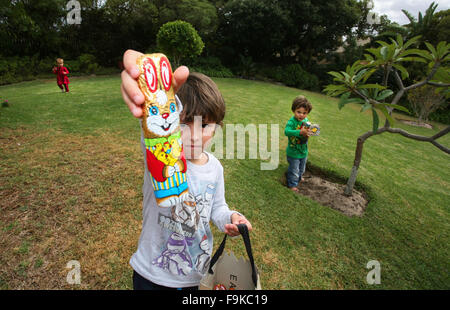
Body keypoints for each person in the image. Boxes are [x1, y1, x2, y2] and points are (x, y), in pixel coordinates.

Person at [120, 50, 252, 290]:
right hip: (152, 275)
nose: (195, 135)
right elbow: (151, 121)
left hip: (196, 278)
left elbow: (217, 207)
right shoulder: (159, 156)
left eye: (206, 124)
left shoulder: (214, 168)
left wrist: (230, 219)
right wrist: (139, 72)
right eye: (184, 123)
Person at [284, 95, 313, 192]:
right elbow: (287, 132)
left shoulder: (306, 121)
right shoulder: (292, 122)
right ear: (293, 111)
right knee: (294, 170)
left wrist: (309, 132)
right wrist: (299, 132)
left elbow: (308, 131)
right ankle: (292, 184)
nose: (301, 115)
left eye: (304, 113)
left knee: (302, 168)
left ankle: (299, 177)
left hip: (303, 150)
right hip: (293, 151)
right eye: (299, 112)